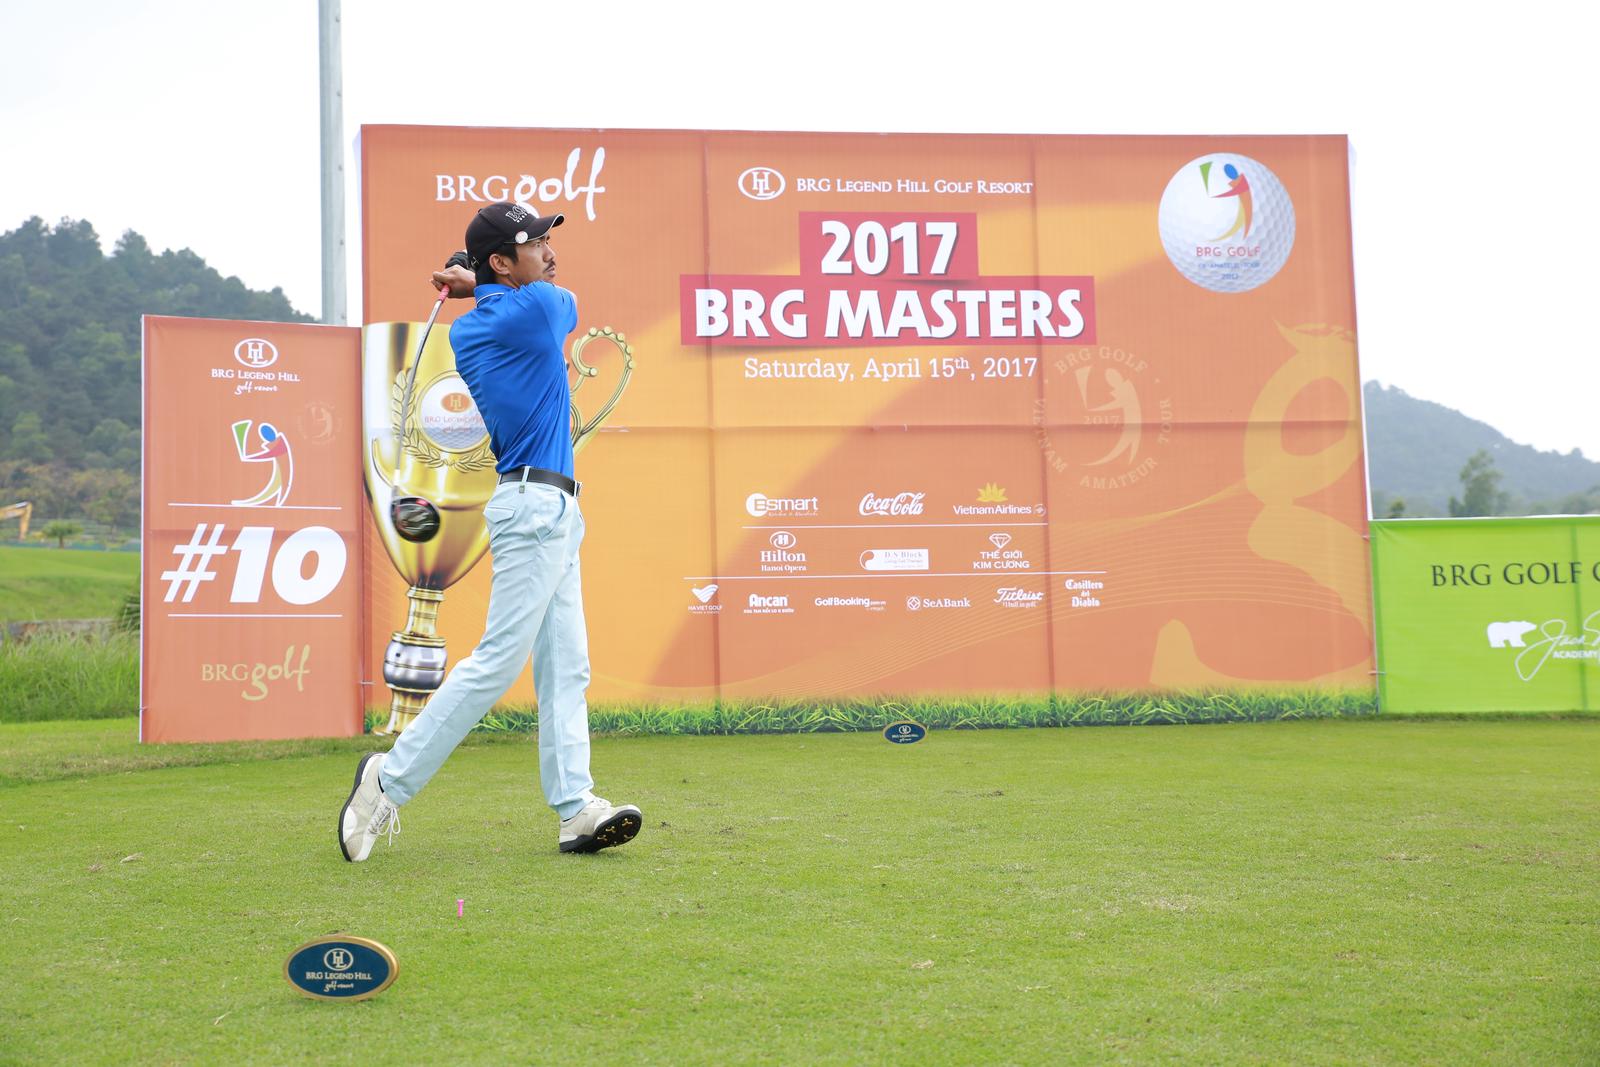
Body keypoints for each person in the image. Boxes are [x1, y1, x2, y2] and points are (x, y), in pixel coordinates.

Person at [338, 201, 641, 861]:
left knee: (567, 664)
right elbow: (566, 304)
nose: (550, 254)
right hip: (532, 508)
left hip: (550, 507)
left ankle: (575, 809)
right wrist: (477, 282)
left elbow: (511, 290)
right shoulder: (537, 308)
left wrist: (477, 280)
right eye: (535, 245)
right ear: (503, 261)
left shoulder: (483, 320)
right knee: (499, 661)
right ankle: (386, 780)